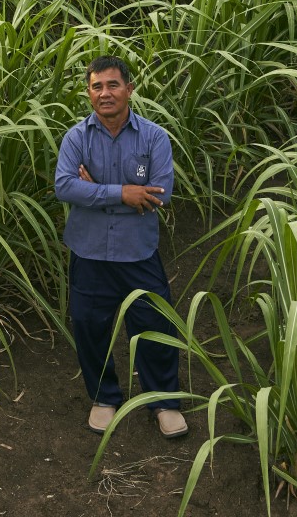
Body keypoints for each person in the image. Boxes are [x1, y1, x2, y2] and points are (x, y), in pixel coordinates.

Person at [52, 55, 187, 439]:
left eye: (113, 85)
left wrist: (92, 189)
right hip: (89, 252)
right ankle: (103, 397)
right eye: (97, 86)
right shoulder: (76, 137)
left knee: (153, 325)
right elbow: (64, 186)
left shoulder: (154, 137)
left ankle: (163, 401)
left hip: (137, 252)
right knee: (91, 327)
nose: (105, 93)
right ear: (88, 93)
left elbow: (161, 195)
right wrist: (123, 193)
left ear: (129, 89)